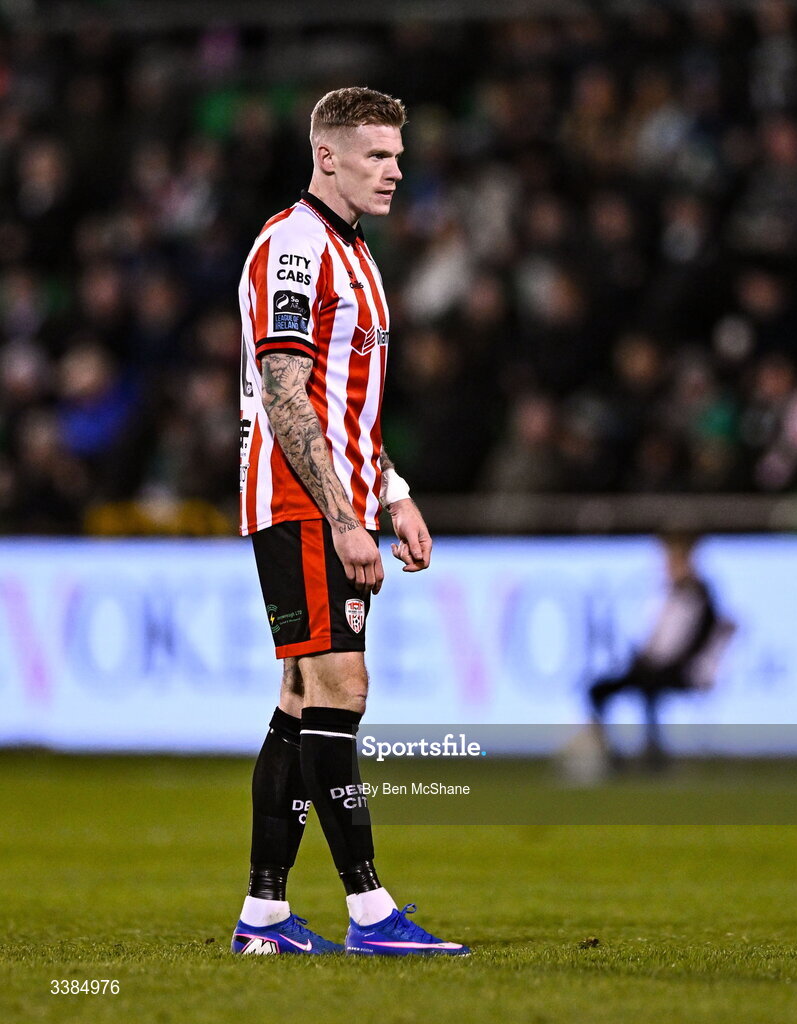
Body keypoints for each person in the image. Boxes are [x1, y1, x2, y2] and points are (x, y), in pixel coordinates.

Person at [232, 87, 469, 957]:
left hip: (332, 498)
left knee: (301, 701)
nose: (395, 171)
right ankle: (371, 914)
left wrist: (393, 491)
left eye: (399, 156)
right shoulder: (293, 246)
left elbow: (350, 408)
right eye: (377, 155)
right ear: (326, 155)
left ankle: (264, 918)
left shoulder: (357, 253)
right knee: (343, 691)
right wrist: (342, 516)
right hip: (299, 502)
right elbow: (288, 398)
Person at [588, 532, 733, 768]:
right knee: (599, 689)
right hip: (655, 668)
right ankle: (613, 755)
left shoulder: (701, 595)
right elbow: (657, 640)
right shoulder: (667, 592)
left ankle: (654, 754)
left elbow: (695, 644)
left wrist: (659, 662)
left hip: (683, 671)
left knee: (649, 683)